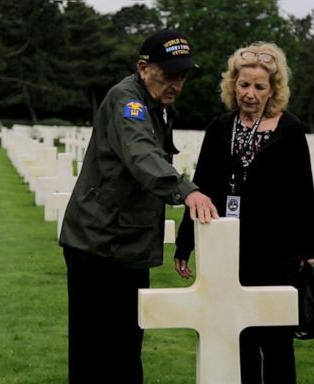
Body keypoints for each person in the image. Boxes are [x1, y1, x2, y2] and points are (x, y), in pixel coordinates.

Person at [59, 29, 218, 384]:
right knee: (95, 349)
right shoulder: (126, 100)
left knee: (127, 345)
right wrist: (185, 190)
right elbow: (140, 153)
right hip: (98, 243)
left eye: (183, 77)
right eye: (169, 74)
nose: (176, 84)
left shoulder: (158, 105)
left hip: (128, 242)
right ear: (144, 68)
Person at [174, 41, 314, 384]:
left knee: (277, 342)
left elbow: (304, 197)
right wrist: (184, 244)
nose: (250, 93)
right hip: (228, 251)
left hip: (276, 254)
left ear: (273, 89)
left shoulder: (290, 130)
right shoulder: (220, 127)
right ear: (232, 85)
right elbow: (201, 187)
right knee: (239, 341)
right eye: (243, 84)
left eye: (259, 86)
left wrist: (310, 253)